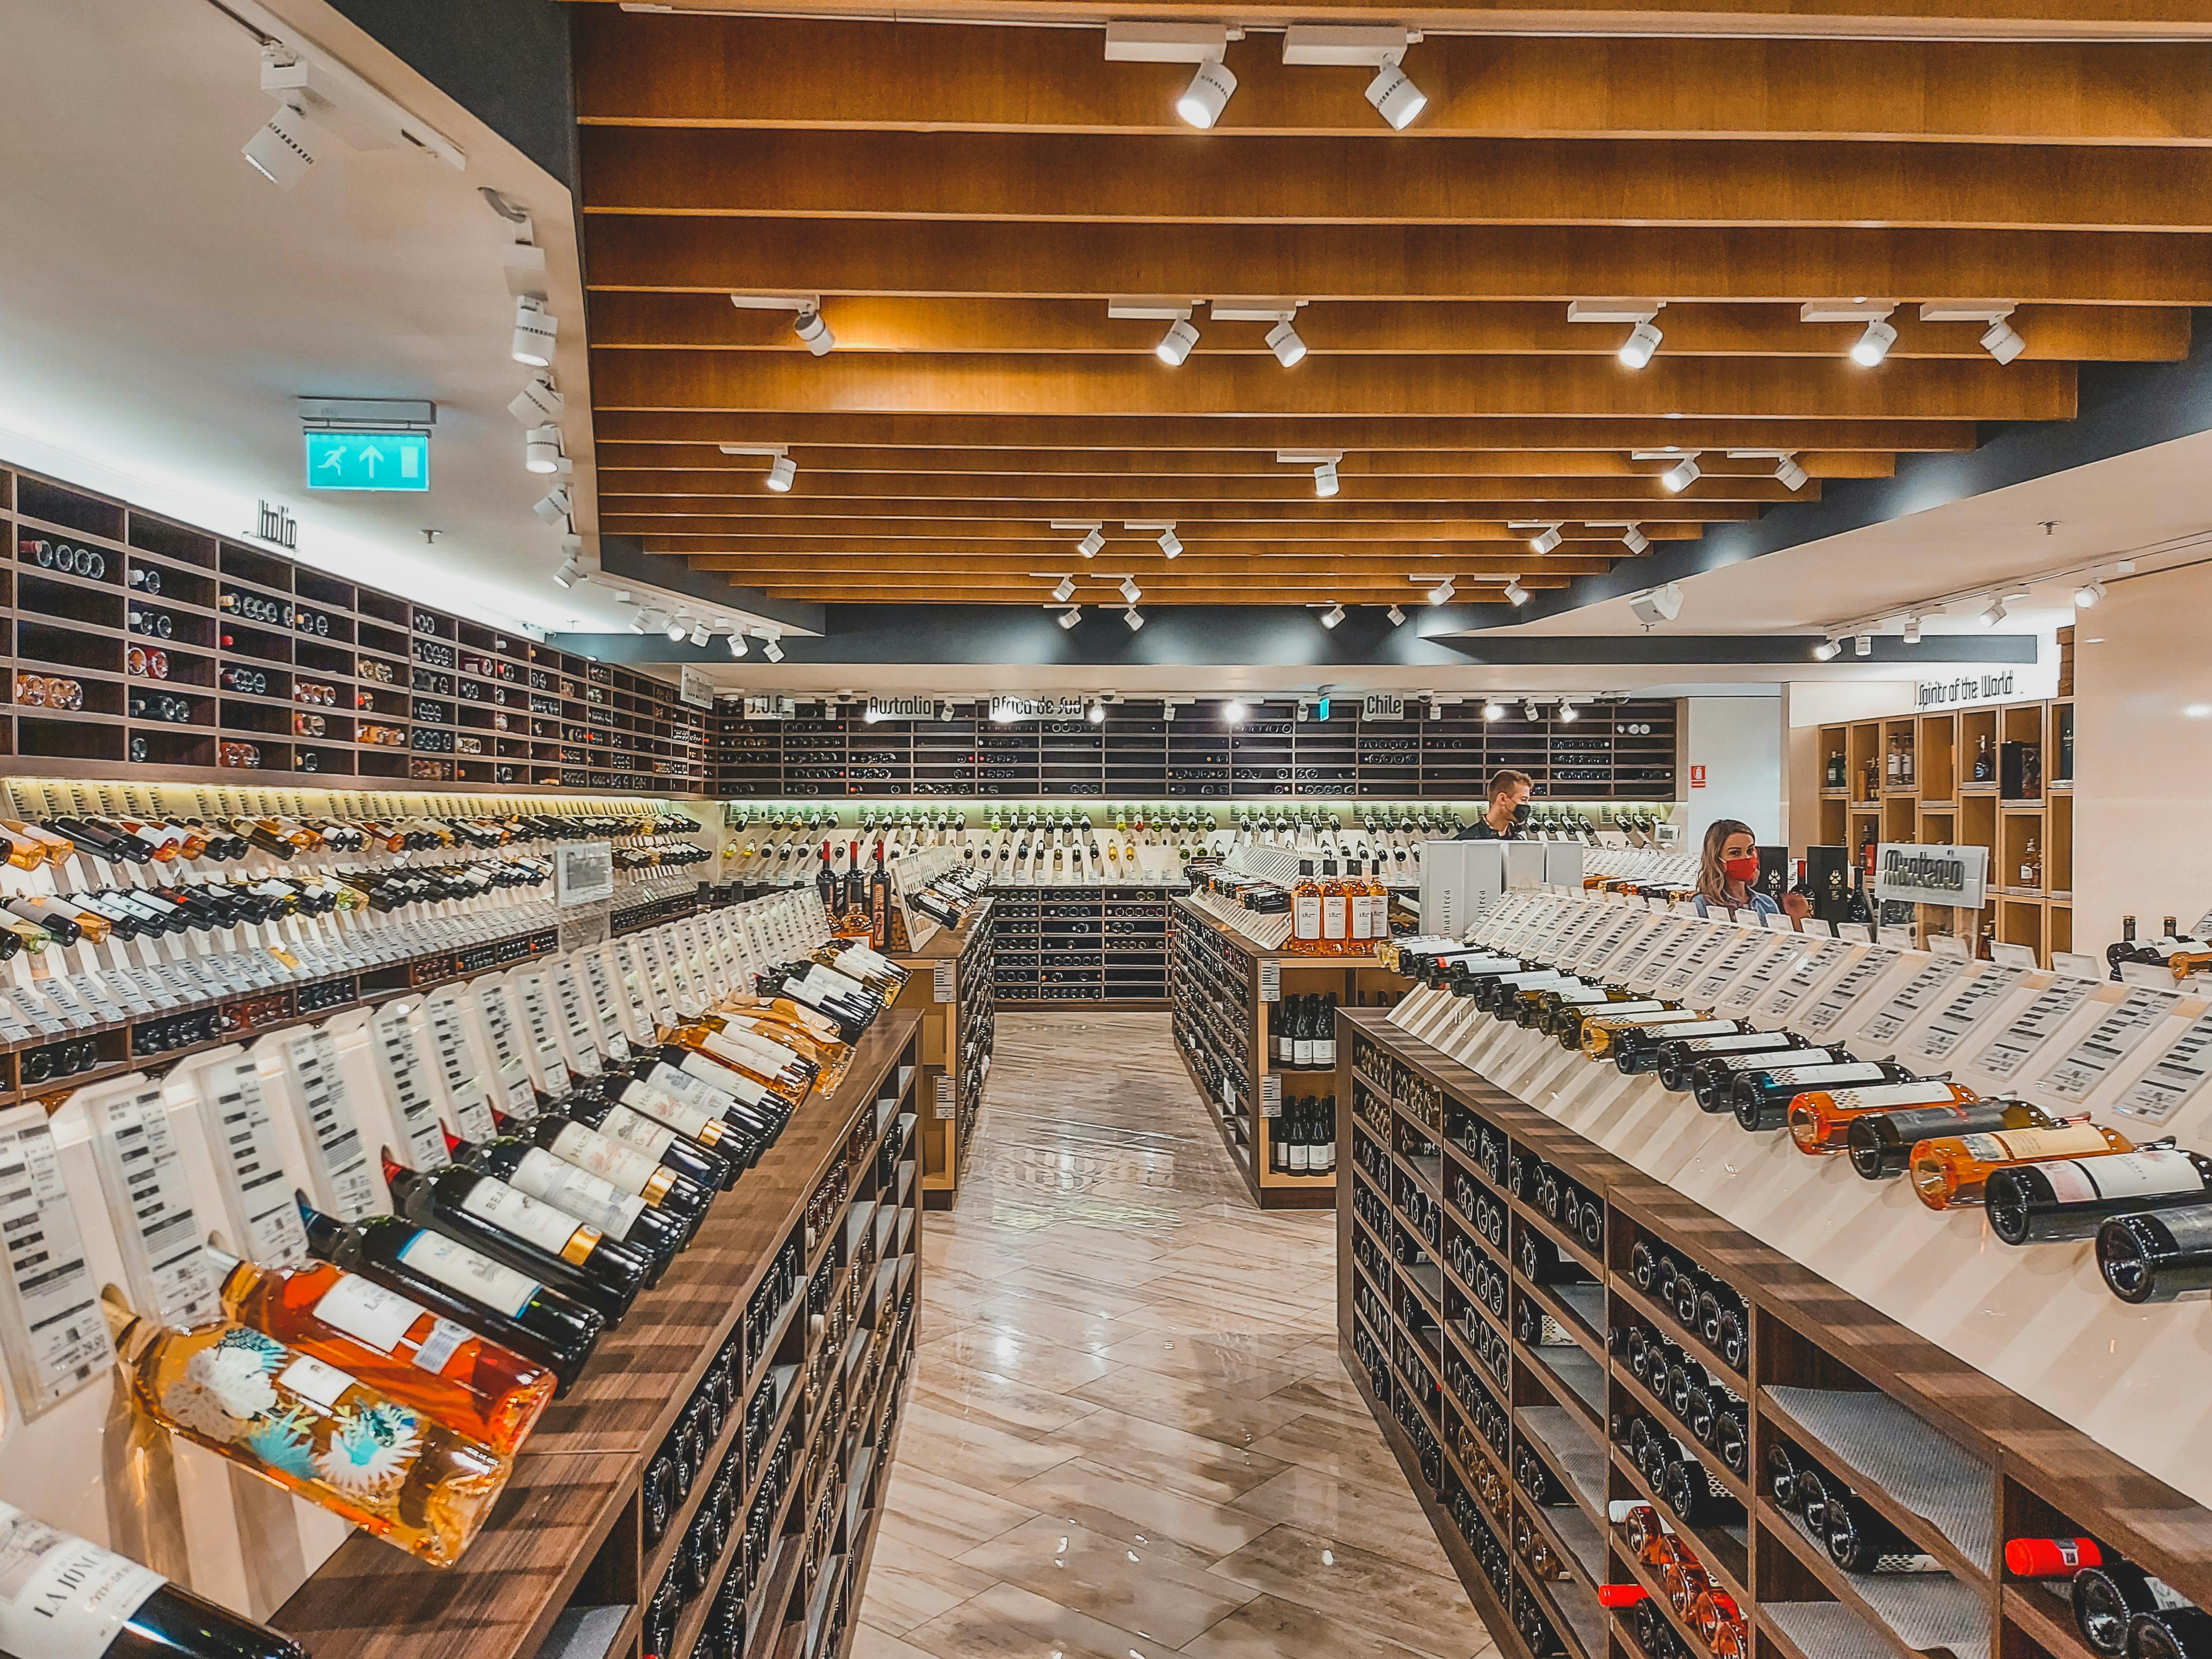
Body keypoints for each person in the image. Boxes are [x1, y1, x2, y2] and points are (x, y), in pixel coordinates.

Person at [1691, 819, 1812, 921]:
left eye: (1750, 851)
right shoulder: (1701, 904)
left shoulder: (1766, 904)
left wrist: (1797, 919)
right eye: (1735, 853)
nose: (1746, 858)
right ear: (1717, 859)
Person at [1455, 769, 1534, 839]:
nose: (1526, 805)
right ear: (1502, 799)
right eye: (1523, 800)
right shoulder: (1464, 843)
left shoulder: (1520, 842)